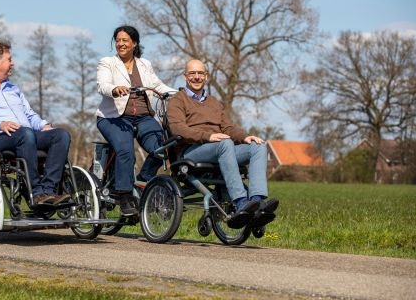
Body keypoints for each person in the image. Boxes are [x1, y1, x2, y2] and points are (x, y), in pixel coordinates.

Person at [167, 59, 279, 229]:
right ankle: (240, 201)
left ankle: (256, 202)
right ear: (185, 76)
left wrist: (245, 137)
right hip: (191, 151)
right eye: (192, 73)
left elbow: (228, 127)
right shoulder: (178, 100)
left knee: (258, 146)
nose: (196, 77)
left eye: (200, 73)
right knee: (225, 143)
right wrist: (208, 136)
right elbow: (177, 129)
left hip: (219, 148)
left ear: (206, 76)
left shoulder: (214, 103)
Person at [0, 41, 71, 205]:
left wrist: (43, 125)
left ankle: (48, 191)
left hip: (25, 134)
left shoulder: (13, 89)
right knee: (25, 134)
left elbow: (29, 114)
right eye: (9, 59)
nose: (12, 63)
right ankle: (35, 193)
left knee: (61, 135)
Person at [95, 25, 175, 216]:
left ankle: (142, 181)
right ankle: (124, 196)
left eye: (125, 40)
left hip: (143, 117)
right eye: (118, 40)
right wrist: (114, 89)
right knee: (126, 150)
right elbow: (103, 84)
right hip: (114, 118)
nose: (120, 44)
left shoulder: (144, 64)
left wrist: (179, 95)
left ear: (134, 43)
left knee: (163, 148)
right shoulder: (108, 63)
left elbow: (157, 85)